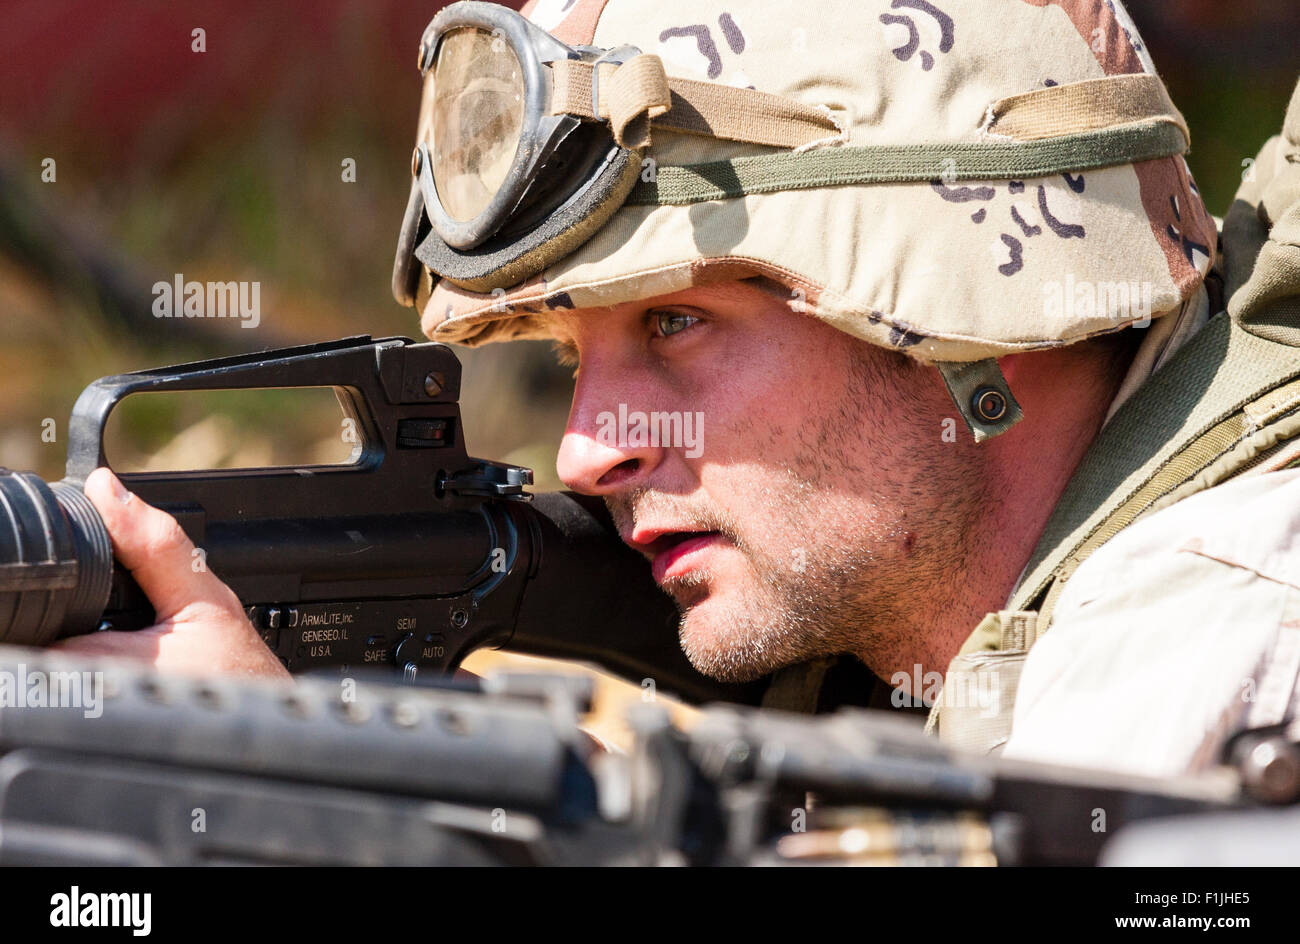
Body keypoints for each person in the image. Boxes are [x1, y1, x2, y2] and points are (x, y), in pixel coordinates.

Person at [59, 0, 1300, 779]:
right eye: (570, 358)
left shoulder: (1217, 624)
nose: (589, 452)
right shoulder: (909, 629)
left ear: (976, 314)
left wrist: (308, 791)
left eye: (677, 322)